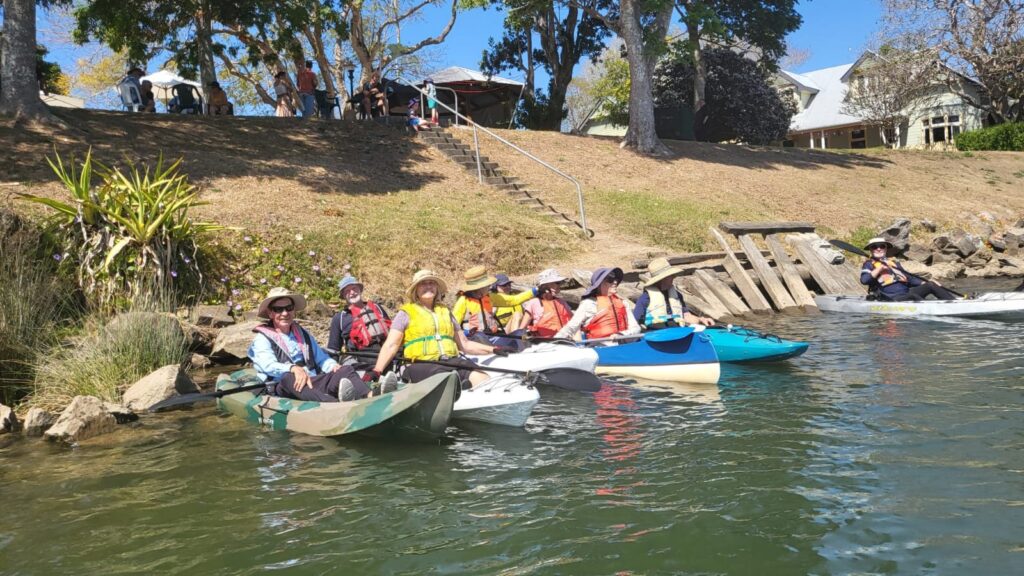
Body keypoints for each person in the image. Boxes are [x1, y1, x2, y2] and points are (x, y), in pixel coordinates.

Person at [370, 269, 513, 390]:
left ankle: (466, 392)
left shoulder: (445, 312)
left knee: (482, 377)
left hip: (450, 361)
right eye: (423, 284)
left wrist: (493, 349)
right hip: (419, 364)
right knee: (447, 378)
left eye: (431, 283)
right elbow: (391, 345)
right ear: (416, 290)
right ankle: (457, 389)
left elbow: (465, 344)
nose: (428, 286)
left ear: (437, 288)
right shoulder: (405, 313)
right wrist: (377, 371)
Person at [248, 287, 393, 402]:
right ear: (271, 313)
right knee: (288, 377)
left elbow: (321, 359)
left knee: (345, 369)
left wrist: (333, 366)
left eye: (289, 308)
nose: (285, 313)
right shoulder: (262, 339)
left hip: (312, 381)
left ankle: (370, 395)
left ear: (293, 310)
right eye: (278, 309)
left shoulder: (302, 334)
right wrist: (293, 369)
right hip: (286, 385)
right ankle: (333, 404)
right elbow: (268, 365)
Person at [555, 267, 641, 341]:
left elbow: (636, 328)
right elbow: (570, 328)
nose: (615, 282)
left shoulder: (623, 303)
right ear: (600, 284)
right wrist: (553, 343)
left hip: (623, 346)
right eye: (610, 280)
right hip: (600, 348)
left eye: (616, 280)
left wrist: (622, 335)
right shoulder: (589, 304)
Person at [860, 237, 957, 301]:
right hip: (891, 298)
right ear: (871, 250)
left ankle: (953, 302)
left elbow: (910, 279)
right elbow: (864, 280)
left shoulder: (894, 263)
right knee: (912, 296)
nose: (878, 249)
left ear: (885, 249)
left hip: (905, 294)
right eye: (874, 247)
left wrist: (926, 283)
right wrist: (879, 269)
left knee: (931, 284)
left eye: (882, 246)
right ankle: (929, 309)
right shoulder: (868, 264)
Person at [452, 266, 535, 339]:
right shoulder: (463, 301)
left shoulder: (490, 297)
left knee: (515, 343)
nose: (489, 286)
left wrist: (534, 291)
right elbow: (453, 325)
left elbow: (513, 300)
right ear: (479, 288)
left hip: (493, 336)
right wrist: (462, 334)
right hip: (474, 339)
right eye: (487, 285)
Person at [633, 257, 714, 329]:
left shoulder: (677, 295)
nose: (673, 277)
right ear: (662, 279)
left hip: (677, 332)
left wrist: (701, 319)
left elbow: (686, 315)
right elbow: (635, 322)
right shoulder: (645, 299)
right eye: (670, 276)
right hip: (656, 336)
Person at [327, 275, 392, 357]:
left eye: (354, 288)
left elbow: (393, 332)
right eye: (347, 291)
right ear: (343, 296)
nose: (352, 293)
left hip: (386, 352)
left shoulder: (377, 307)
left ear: (360, 290)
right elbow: (333, 349)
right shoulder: (339, 318)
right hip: (361, 358)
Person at [519, 268, 573, 338]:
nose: (558, 286)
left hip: (565, 340)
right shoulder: (534, 303)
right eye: (556, 283)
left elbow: (574, 321)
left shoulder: (562, 302)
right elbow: (521, 329)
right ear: (545, 286)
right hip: (544, 343)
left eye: (559, 283)